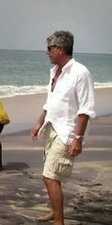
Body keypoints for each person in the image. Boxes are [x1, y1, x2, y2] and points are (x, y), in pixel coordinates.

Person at [30, 31, 96, 225]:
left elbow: (86, 109)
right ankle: (54, 211)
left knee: (50, 176)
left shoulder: (80, 72)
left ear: (61, 49)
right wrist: (39, 122)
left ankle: (59, 222)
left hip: (67, 132)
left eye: (49, 49)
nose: (47, 53)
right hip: (51, 128)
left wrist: (78, 138)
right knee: (48, 176)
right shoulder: (54, 71)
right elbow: (50, 102)